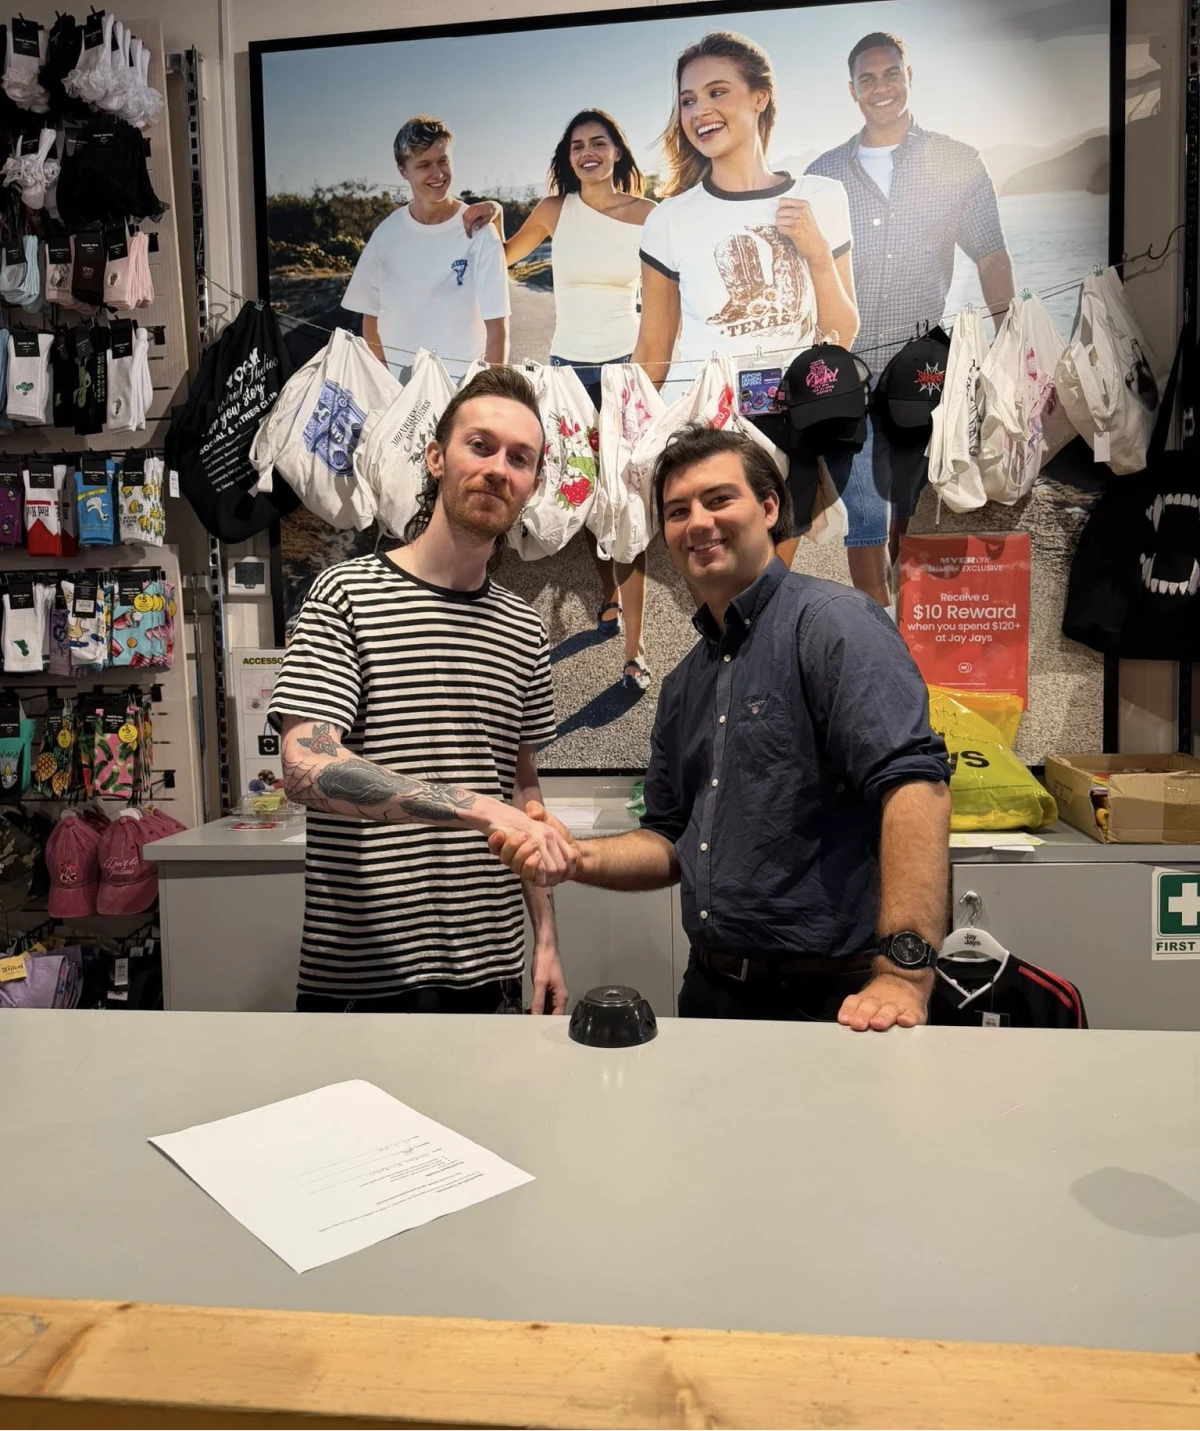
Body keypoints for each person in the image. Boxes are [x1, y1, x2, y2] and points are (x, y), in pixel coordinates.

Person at [491, 424, 952, 1031]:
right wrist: (573, 858)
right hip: (713, 993)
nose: (698, 523)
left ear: (769, 508)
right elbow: (667, 841)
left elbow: (915, 786)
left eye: (718, 499)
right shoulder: (685, 683)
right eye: (678, 511)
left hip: (840, 1000)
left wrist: (903, 973)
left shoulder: (834, 624)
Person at [268, 366, 575, 1015]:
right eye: (480, 445)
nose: (497, 468)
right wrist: (478, 808)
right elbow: (305, 766)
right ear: (437, 456)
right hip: (363, 975)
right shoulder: (345, 594)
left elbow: (522, 792)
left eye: (519, 458)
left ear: (534, 484)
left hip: (491, 969)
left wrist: (546, 935)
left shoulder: (523, 628)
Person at [632, 31, 892, 605]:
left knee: (768, 591)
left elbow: (843, 332)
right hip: (710, 429)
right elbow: (653, 344)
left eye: (717, 91)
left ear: (759, 97)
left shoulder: (821, 196)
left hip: (794, 416)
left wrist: (817, 253)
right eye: (688, 99)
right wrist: (627, 443)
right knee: (724, 595)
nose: (700, 110)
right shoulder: (669, 220)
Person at [807, 32, 1014, 564]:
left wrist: (1009, 348)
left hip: (918, 365)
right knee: (862, 515)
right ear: (851, 90)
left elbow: (990, 256)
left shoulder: (956, 161)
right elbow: (804, 274)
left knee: (906, 499)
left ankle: (905, 614)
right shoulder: (822, 174)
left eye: (891, 73)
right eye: (867, 79)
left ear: (909, 75)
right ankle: (877, 619)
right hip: (843, 367)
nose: (881, 87)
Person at [466, 110, 657, 691]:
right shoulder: (554, 211)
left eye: (598, 143)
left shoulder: (650, 216)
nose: (587, 153)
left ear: (618, 152)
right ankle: (606, 597)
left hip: (627, 372)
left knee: (628, 504)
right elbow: (497, 262)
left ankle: (635, 648)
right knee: (578, 492)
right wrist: (494, 217)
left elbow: (677, 290)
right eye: (577, 146)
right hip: (567, 375)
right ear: (567, 156)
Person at [341, 115, 510, 381]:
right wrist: (384, 384)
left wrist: (487, 396)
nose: (438, 174)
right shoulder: (386, 235)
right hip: (399, 390)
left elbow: (497, 329)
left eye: (443, 161)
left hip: (462, 390)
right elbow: (370, 319)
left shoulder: (479, 232)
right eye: (424, 165)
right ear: (403, 170)